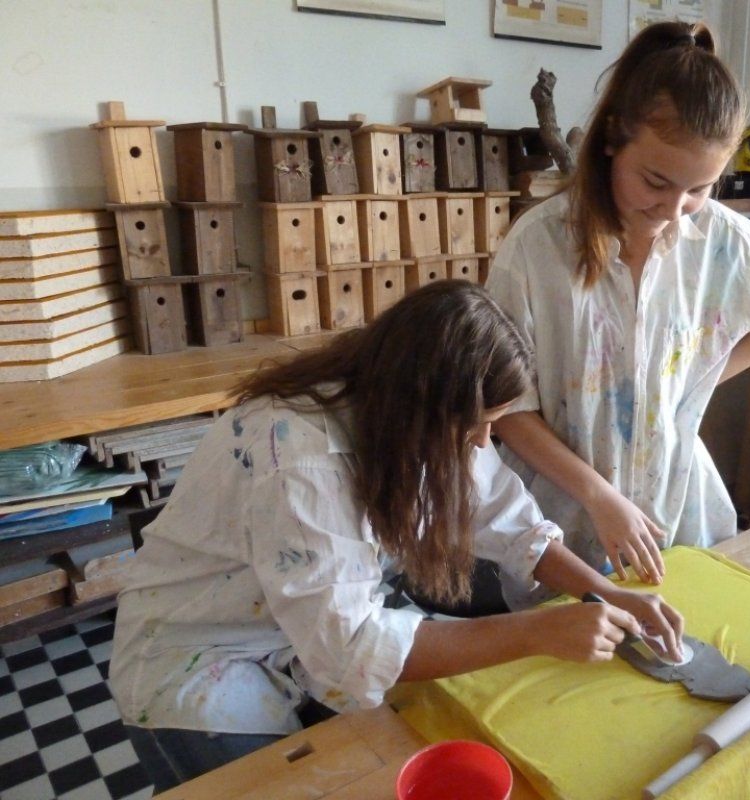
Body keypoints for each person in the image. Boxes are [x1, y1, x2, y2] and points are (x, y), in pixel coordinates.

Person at [109, 281, 684, 792]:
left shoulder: (413, 414)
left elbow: (508, 519)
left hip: (295, 640)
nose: (483, 442)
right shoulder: (301, 460)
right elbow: (351, 645)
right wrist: (535, 631)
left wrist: (602, 592)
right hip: (197, 658)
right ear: (420, 407)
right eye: (477, 425)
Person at [486, 21, 750, 585]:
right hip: (562, 520)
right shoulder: (537, 246)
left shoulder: (719, 237)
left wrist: (695, 374)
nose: (673, 210)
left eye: (699, 189)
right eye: (655, 181)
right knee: (579, 632)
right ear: (611, 139)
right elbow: (507, 408)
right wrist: (600, 497)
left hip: (680, 509)